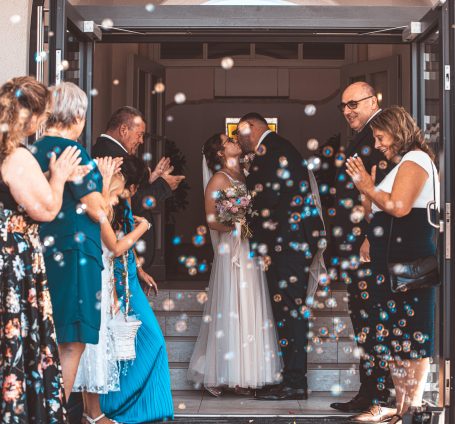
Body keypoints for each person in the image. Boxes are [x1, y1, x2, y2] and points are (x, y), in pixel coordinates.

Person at [346, 106, 439, 424]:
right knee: (401, 338)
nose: (377, 143)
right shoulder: (405, 163)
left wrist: (368, 189)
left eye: (380, 136)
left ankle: (410, 410)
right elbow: (376, 212)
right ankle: (400, 409)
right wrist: (367, 194)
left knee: (414, 338)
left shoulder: (415, 160)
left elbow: (398, 208)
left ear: (397, 131)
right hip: (398, 262)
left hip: (412, 261)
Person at [0, 76, 84, 422]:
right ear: (32, 117)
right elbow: (46, 210)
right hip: (13, 261)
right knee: (17, 334)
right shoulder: (17, 158)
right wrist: (60, 175)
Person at [235, 112, 324, 401]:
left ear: (253, 129)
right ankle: (291, 377)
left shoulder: (270, 151)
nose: (238, 139)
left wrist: (244, 213)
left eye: (240, 133)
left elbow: (267, 200)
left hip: (287, 247)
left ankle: (296, 382)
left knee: (291, 312)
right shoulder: (278, 148)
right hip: (289, 244)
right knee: (287, 312)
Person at [187, 133, 283, 396]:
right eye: (228, 140)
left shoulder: (247, 175)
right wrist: (236, 224)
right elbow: (211, 219)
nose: (235, 140)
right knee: (233, 305)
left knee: (251, 304)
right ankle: (227, 371)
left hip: (251, 247)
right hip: (233, 247)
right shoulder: (219, 179)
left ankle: (247, 372)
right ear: (220, 152)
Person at [33, 82, 107, 400]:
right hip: (73, 253)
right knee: (71, 338)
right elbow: (96, 209)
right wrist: (107, 189)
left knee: (42, 335)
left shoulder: (31, 152)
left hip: (41, 252)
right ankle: (56, 411)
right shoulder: (73, 152)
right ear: (77, 115)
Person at [329, 82, 393, 416]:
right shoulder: (366, 134)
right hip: (356, 244)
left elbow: (381, 190)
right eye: (343, 106)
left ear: (373, 100)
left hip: (369, 246)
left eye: (353, 103)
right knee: (363, 319)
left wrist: (370, 236)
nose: (347, 110)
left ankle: (380, 396)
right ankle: (369, 392)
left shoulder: (380, 135)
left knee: (372, 319)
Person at [73, 157, 152, 424]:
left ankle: (88, 412)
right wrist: (142, 228)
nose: (119, 201)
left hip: (100, 280)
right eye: (117, 195)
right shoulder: (98, 210)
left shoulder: (97, 207)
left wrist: (115, 294)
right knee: (94, 346)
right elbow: (116, 248)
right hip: (96, 280)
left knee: (92, 345)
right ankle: (95, 415)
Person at [100, 156, 174, 423]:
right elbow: (114, 246)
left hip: (131, 276)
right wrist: (144, 227)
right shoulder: (105, 204)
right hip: (117, 281)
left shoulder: (124, 202)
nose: (130, 194)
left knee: (144, 343)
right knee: (135, 344)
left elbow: (125, 243)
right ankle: (121, 406)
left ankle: (149, 406)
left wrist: (140, 269)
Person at [91, 106, 185, 272]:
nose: (141, 141)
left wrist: (151, 179)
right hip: (119, 249)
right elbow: (128, 202)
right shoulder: (114, 157)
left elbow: (129, 192)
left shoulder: (109, 150)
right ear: (123, 129)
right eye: (139, 134)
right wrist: (162, 186)